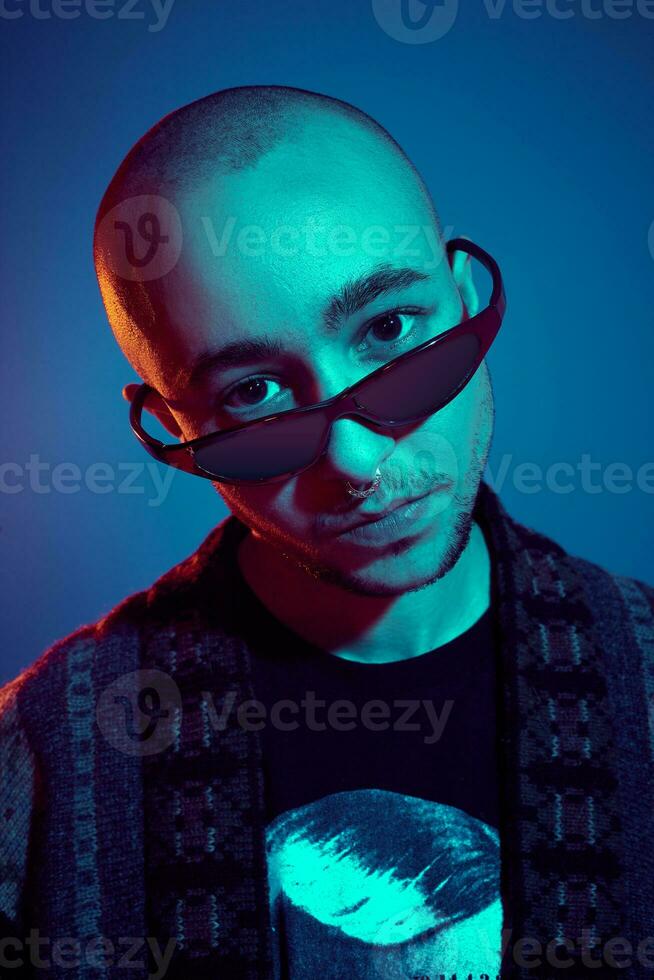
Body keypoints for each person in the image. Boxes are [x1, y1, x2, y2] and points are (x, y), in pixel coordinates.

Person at [1, 85, 653, 980]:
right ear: (172, 428)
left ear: (463, 301)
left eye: (389, 330)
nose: (351, 458)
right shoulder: (42, 750)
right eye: (254, 395)